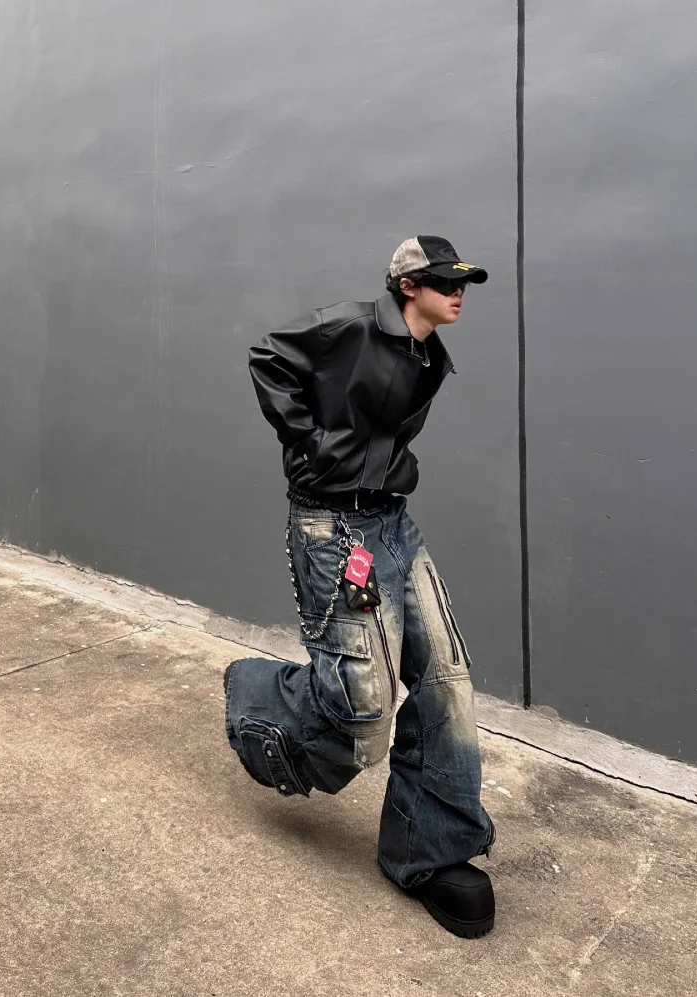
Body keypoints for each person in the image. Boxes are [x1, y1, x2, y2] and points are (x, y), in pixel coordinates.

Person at [224, 236, 496, 938]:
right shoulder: (351, 324)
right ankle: (259, 702)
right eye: (446, 280)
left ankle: (428, 848)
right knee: (364, 711)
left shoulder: (429, 354)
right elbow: (268, 357)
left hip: (393, 523)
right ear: (409, 284)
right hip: (335, 529)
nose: (459, 291)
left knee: (445, 679)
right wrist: (308, 445)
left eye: (463, 282)